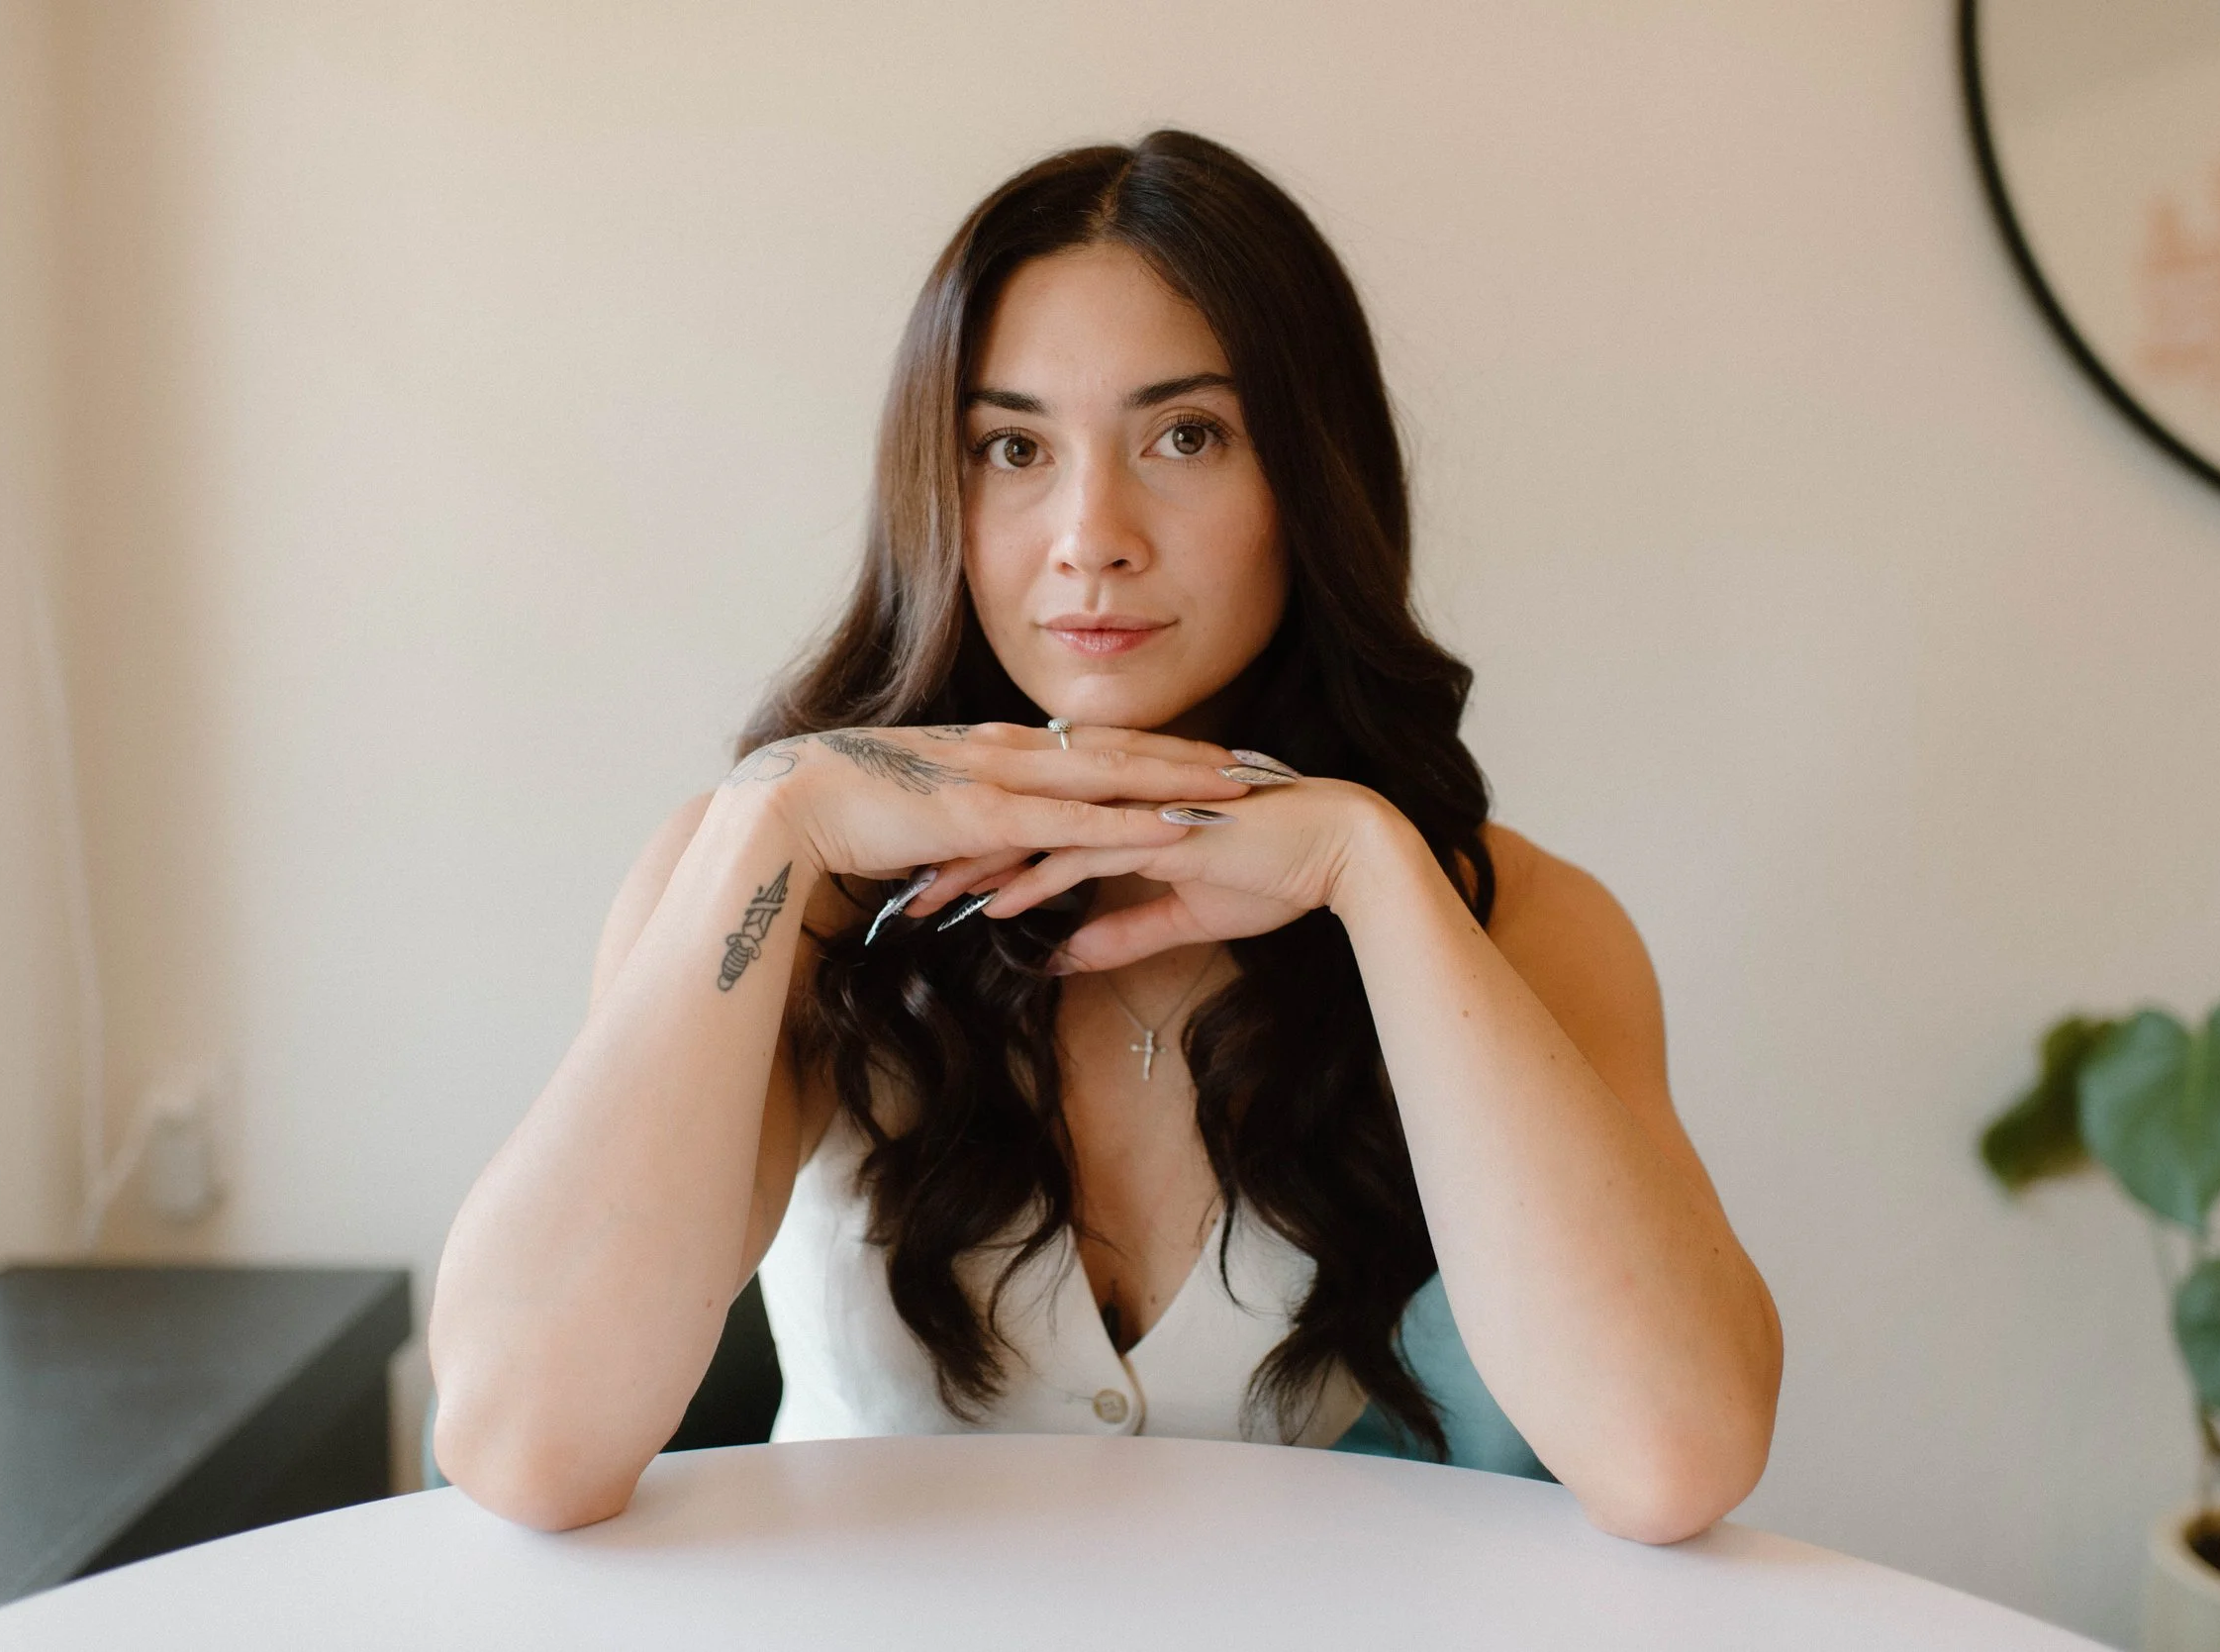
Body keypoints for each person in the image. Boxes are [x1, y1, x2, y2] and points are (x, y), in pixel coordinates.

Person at [427, 130, 1782, 1544]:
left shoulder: (1510, 917)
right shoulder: (770, 886)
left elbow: (1672, 1457)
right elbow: (526, 1444)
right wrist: (774, 821)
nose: (1090, 535)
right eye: (1012, 448)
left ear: (1308, 479)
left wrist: (1373, 876)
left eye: (1185, 437)